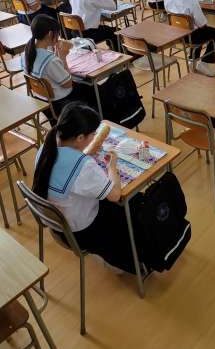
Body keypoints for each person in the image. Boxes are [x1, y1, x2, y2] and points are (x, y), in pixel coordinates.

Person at [32, 102, 138, 274]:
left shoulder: (46, 148)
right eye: (93, 134)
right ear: (80, 138)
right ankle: (121, 261)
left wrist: (84, 154)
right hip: (80, 231)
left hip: (57, 224)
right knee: (126, 205)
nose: (94, 136)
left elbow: (66, 170)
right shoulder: (84, 165)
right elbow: (115, 195)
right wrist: (112, 166)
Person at [23, 14, 95, 120]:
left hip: (41, 100)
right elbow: (68, 84)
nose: (58, 37)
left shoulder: (27, 52)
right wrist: (63, 57)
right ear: (50, 34)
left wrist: (58, 58)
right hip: (60, 103)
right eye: (57, 34)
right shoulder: (50, 61)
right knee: (91, 88)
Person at [164, 0, 215, 77]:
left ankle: (192, 59)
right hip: (190, 37)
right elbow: (202, 24)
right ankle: (204, 63)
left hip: (175, 35)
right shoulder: (191, 0)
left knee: (195, 27)